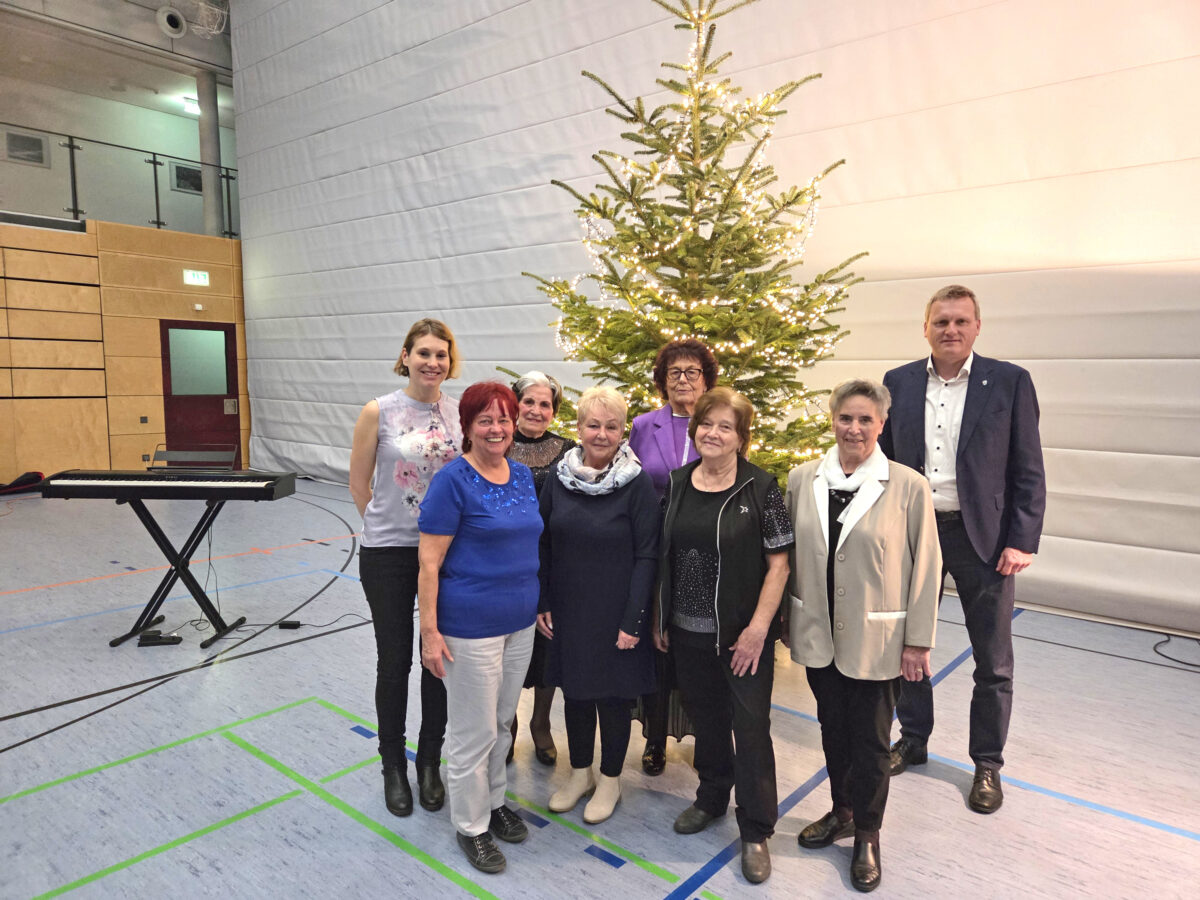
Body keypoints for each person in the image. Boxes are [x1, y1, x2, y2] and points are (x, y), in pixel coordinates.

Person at [880, 285, 1046, 815]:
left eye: (960, 321)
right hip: (915, 533)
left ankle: (987, 763)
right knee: (908, 646)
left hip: (985, 537)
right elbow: (882, 463)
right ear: (924, 327)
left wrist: (1021, 537)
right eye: (940, 321)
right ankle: (915, 737)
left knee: (992, 660)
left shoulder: (1010, 382)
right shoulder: (898, 383)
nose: (950, 330)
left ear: (977, 327)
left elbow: (1028, 466)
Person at [785, 379, 941, 893]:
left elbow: (927, 570)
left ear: (882, 424)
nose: (854, 428)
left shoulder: (908, 486)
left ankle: (868, 835)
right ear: (832, 420)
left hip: (880, 640)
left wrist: (918, 641)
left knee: (871, 743)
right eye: (845, 418)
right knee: (832, 730)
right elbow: (787, 560)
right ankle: (842, 811)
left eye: (865, 420)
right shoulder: (802, 478)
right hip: (819, 634)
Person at [654, 387, 792, 885]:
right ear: (695, 430)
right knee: (708, 721)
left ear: (741, 437)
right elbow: (664, 556)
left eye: (725, 426)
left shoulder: (759, 488)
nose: (713, 432)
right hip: (687, 633)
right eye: (706, 424)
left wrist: (758, 630)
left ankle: (755, 829)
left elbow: (779, 564)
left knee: (751, 730)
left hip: (742, 637)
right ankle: (711, 797)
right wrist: (662, 616)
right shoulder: (677, 482)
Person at [417, 382, 543, 874]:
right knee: (472, 731)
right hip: (469, 626)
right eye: (485, 420)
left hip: (519, 622)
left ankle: (494, 803)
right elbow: (429, 565)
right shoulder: (452, 481)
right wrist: (431, 633)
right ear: (467, 426)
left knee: (503, 722)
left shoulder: (523, 477)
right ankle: (471, 827)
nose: (496, 429)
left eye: (504, 420)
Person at [348, 318, 458, 820]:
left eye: (442, 354)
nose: (433, 362)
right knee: (394, 663)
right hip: (389, 555)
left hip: (448, 555)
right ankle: (393, 763)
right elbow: (359, 483)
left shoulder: (459, 413)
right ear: (406, 356)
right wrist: (387, 527)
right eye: (424, 353)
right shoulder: (380, 410)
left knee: (437, 658)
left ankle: (429, 762)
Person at [538, 387, 659, 824]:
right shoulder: (559, 478)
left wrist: (634, 620)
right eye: (593, 425)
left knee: (612, 698)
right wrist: (544, 599)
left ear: (623, 431)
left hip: (617, 613)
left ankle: (610, 779)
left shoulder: (636, 483)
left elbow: (648, 553)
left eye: (611, 426)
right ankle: (580, 773)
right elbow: (544, 541)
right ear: (579, 429)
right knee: (575, 693)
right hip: (569, 609)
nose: (602, 434)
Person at [628, 338, 718, 776]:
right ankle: (654, 738)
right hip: (650, 546)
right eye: (674, 372)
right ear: (662, 380)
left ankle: (705, 736)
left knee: (696, 648)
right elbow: (629, 480)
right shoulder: (645, 425)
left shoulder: (717, 422)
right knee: (656, 647)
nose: (683, 379)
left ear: (706, 379)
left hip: (700, 552)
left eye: (692, 372)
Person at [505, 371, 577, 766]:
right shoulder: (495, 443)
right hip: (508, 563)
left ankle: (541, 723)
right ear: (515, 404)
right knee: (509, 649)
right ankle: (509, 723)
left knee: (548, 648)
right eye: (528, 401)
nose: (535, 410)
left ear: (554, 411)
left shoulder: (570, 451)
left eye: (544, 403)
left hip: (554, 563)